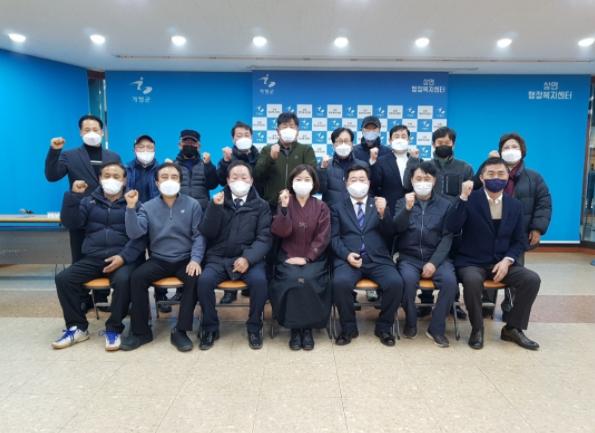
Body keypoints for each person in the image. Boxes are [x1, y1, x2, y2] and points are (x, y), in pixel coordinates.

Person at [447, 158, 541, 351]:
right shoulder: (470, 199)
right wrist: (462, 197)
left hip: (501, 263)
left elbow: (519, 241)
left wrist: (507, 261)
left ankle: (512, 328)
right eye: (490, 174)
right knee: (472, 281)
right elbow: (452, 226)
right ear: (481, 177)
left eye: (501, 174)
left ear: (507, 177)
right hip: (471, 261)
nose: (496, 178)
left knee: (531, 279)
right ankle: (477, 329)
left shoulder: (515, 205)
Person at [52, 162, 143, 351]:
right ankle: (77, 327)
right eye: (106, 175)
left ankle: (114, 328)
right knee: (63, 279)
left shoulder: (133, 202)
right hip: (93, 258)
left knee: (124, 280)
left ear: (124, 180)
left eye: (116, 176)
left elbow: (140, 237)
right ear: (100, 179)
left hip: (121, 259)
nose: (111, 179)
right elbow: (71, 223)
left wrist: (123, 257)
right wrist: (74, 196)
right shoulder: (88, 201)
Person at [121, 162, 205, 352]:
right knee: (137, 278)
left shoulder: (193, 205)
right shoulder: (147, 207)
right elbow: (134, 233)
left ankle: (180, 330)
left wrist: (195, 259)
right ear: (157, 183)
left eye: (174, 177)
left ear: (180, 182)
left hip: (185, 259)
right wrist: (131, 208)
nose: (169, 181)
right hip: (158, 259)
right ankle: (141, 332)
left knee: (194, 278)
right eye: (164, 177)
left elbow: (199, 236)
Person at [45, 114, 121, 310]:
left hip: (106, 214)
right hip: (80, 213)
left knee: (107, 254)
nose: (91, 133)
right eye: (87, 130)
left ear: (102, 132)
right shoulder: (69, 155)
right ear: (80, 132)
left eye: (95, 129)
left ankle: (102, 296)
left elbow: (120, 181)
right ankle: (82, 299)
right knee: (79, 257)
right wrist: (54, 151)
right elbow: (52, 175)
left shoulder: (113, 157)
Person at [197, 161, 272, 350]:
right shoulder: (216, 201)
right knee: (204, 282)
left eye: (244, 177)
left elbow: (264, 238)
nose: (239, 181)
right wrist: (215, 208)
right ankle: (210, 327)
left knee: (260, 282)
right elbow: (207, 232)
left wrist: (248, 258)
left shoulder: (261, 205)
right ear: (228, 180)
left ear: (251, 180)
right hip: (218, 258)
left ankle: (254, 326)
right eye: (235, 177)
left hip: (249, 259)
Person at [477, 133, 552, 317]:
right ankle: (487, 305)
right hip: (491, 232)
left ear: (522, 151)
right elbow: (476, 188)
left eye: (514, 147)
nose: (510, 150)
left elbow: (544, 203)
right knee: (490, 268)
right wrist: (488, 162)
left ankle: (510, 308)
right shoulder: (491, 172)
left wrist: (537, 228)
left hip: (519, 234)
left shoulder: (534, 177)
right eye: (506, 147)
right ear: (500, 151)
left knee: (514, 270)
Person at [330, 164, 403, 346]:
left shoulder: (379, 204)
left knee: (395, 283)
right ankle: (348, 328)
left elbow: (391, 233)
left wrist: (383, 213)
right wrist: (347, 255)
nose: (358, 183)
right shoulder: (337, 207)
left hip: (377, 258)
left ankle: (384, 327)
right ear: (346, 183)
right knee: (340, 283)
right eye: (353, 180)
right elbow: (333, 238)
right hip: (349, 259)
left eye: (362, 179)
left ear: (369, 182)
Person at [405, 126, 472, 320]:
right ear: (433, 144)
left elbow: (471, 193)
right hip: (430, 219)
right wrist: (412, 161)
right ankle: (426, 302)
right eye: (439, 142)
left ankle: (453, 303)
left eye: (447, 142)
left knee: (451, 262)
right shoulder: (426, 165)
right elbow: (408, 185)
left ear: (453, 144)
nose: (443, 145)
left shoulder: (464, 167)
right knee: (428, 255)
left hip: (455, 223)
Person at [393, 161, 457, 347]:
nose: (422, 182)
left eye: (427, 178)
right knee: (406, 281)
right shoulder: (401, 202)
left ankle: (436, 328)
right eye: (418, 178)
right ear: (412, 180)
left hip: (437, 258)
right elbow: (396, 229)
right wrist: (407, 209)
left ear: (434, 180)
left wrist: (434, 263)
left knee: (450, 282)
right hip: (409, 257)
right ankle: (411, 322)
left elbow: (447, 237)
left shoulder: (446, 205)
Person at [270, 165, 331, 351]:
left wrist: (308, 258)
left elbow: (323, 237)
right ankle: (295, 328)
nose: (302, 183)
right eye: (298, 179)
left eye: (307, 179)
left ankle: (308, 328)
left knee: (309, 279)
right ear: (291, 182)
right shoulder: (285, 203)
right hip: (288, 255)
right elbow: (281, 232)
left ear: (313, 183)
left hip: (314, 258)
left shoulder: (321, 206)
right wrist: (284, 208)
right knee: (292, 279)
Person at [125, 134, 171, 314]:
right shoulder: (127, 168)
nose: (146, 150)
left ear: (155, 149)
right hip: (134, 218)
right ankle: (135, 299)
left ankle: (161, 296)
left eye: (149, 147)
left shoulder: (161, 169)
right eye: (141, 147)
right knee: (135, 259)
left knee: (158, 258)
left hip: (157, 220)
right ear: (134, 149)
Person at [216, 121, 261, 305]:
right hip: (231, 204)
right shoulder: (227, 156)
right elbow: (220, 179)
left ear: (252, 137)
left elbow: (263, 176)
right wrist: (226, 162)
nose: (243, 138)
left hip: (254, 205)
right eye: (239, 135)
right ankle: (230, 291)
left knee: (253, 242)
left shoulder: (260, 156)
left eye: (246, 135)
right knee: (231, 241)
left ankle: (249, 284)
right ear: (233, 138)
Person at [254, 112, 317, 210]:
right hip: (272, 205)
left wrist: (293, 193)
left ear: (297, 130)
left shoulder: (306, 150)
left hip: (299, 204)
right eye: (284, 126)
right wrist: (271, 158)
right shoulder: (267, 150)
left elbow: (312, 176)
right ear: (278, 131)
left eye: (292, 126)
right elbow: (258, 175)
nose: (288, 129)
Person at [318, 127, 369, 207]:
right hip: (332, 212)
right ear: (333, 145)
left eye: (346, 141)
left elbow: (368, 191)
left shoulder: (362, 166)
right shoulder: (325, 165)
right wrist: (322, 169)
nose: (343, 144)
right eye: (339, 141)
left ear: (352, 144)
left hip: (354, 211)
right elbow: (320, 190)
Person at [372, 124, 417, 214]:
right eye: (396, 136)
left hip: (413, 210)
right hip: (389, 210)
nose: (400, 139)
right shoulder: (381, 161)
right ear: (390, 140)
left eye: (403, 136)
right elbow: (375, 186)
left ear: (409, 140)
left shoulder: (417, 161)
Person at [174, 129, 219, 210]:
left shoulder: (206, 164)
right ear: (180, 145)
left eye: (192, 143)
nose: (189, 145)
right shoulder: (173, 166)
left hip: (201, 211)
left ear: (198, 146)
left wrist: (208, 165)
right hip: (179, 211)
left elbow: (212, 185)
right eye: (186, 142)